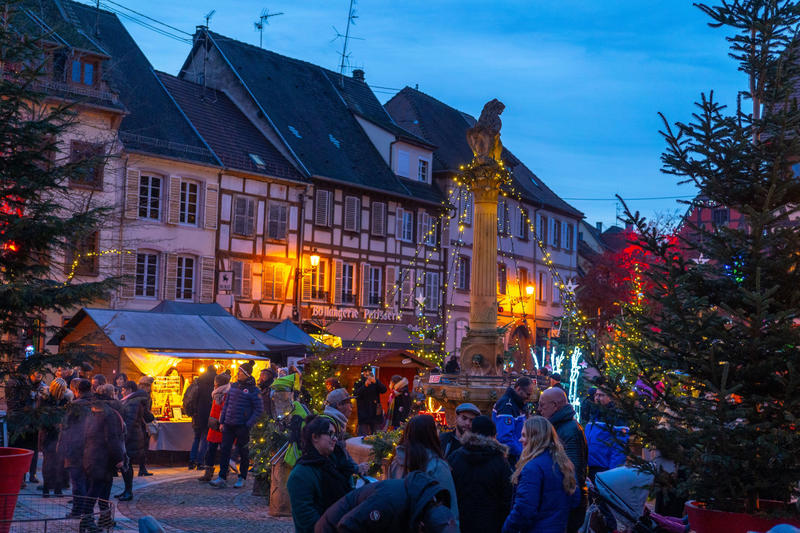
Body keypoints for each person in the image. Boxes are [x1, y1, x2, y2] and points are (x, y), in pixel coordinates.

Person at [316, 471, 458, 533]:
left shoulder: (422, 505)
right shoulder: (389, 503)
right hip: (332, 527)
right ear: (421, 527)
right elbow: (347, 526)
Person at [502, 416, 577, 533]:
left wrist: (507, 528)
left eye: (524, 435)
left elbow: (524, 509)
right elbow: (575, 500)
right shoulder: (564, 464)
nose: (520, 440)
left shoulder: (532, 468)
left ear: (534, 438)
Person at [286, 415, 352, 533]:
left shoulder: (335, 464)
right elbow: (307, 520)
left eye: (335, 435)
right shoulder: (300, 475)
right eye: (330, 434)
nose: (335, 439)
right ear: (315, 437)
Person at [448, 415, 512, 533]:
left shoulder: (455, 457)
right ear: (493, 436)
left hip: (461, 523)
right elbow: (507, 497)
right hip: (491, 524)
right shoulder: (500, 462)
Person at [390, 414, 459, 523]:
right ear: (430, 434)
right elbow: (450, 506)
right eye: (436, 428)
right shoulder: (437, 466)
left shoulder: (395, 462)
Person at [538, 387, 588, 533]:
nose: (539, 409)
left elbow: (573, 470)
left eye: (542, 405)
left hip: (568, 502)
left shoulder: (569, 430)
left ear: (555, 405)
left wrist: (569, 501)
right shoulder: (560, 426)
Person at [210, 361, 263, 489]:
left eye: (240, 372)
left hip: (242, 425)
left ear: (246, 374)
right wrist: (222, 421)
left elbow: (258, 409)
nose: (238, 374)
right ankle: (222, 477)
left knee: (244, 452)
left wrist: (248, 424)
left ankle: (242, 477)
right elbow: (226, 405)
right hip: (229, 424)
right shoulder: (233, 387)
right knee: (225, 451)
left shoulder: (253, 390)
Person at [82, 382, 126, 531]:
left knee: (103, 489)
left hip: (92, 454)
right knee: (96, 490)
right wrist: (119, 459)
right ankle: (87, 520)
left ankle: (104, 518)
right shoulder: (109, 413)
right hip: (102, 458)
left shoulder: (92, 410)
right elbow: (112, 438)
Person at [57, 379, 93, 518]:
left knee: (78, 482)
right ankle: (88, 512)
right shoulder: (98, 405)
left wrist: (61, 447)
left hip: (75, 448)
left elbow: (64, 427)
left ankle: (78, 511)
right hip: (93, 449)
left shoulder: (74, 406)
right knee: (89, 482)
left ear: (77, 391)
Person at [321, 388, 368, 478]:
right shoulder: (330, 425)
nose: (352, 406)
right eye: (349, 403)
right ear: (339, 405)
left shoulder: (337, 422)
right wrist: (356, 468)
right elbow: (338, 457)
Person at [585, 388, 629, 481]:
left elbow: (619, 448)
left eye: (601, 395)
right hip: (589, 468)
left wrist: (612, 474)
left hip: (604, 470)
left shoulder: (617, 417)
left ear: (610, 397)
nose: (597, 398)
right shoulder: (594, 413)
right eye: (596, 395)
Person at [492, 376, 536, 466]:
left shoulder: (518, 404)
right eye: (527, 394)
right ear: (518, 389)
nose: (529, 398)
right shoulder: (507, 406)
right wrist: (523, 454)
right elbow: (504, 438)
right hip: (511, 459)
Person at [117, 381, 149, 501]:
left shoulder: (133, 402)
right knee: (126, 464)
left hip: (131, 437)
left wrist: (124, 437)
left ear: (130, 390)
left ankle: (128, 491)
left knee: (127, 464)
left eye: (124, 389)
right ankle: (126, 490)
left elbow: (130, 422)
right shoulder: (130, 400)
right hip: (132, 436)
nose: (122, 391)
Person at [198, 372, 231, 482]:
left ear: (218, 383)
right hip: (214, 425)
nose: (214, 385)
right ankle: (209, 473)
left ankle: (223, 473)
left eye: (215, 383)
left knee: (222, 450)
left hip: (222, 425)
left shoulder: (226, 394)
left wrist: (222, 422)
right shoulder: (217, 393)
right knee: (211, 450)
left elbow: (225, 410)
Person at [39, 378, 69, 497]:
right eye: (61, 390)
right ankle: (46, 488)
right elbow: (41, 417)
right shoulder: (45, 399)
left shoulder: (65, 400)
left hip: (61, 435)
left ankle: (58, 488)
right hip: (49, 434)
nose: (62, 392)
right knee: (48, 463)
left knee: (60, 462)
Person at [188, 367, 216, 470]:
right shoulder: (214, 385)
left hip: (197, 415)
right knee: (205, 439)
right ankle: (200, 462)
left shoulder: (198, 383)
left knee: (196, 438)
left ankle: (191, 461)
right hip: (208, 415)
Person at [353, 367, 387, 436]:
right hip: (364, 412)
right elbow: (356, 394)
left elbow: (384, 390)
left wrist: (376, 382)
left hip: (375, 412)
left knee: (377, 435)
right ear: (362, 373)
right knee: (363, 435)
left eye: (369, 371)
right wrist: (365, 386)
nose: (367, 373)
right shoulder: (358, 383)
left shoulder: (375, 381)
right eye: (365, 372)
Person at [137, 375, 156, 476]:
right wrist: (151, 417)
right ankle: (142, 468)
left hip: (138, 423)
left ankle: (142, 468)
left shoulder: (137, 394)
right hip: (142, 423)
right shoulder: (145, 396)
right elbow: (145, 412)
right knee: (143, 446)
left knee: (141, 446)